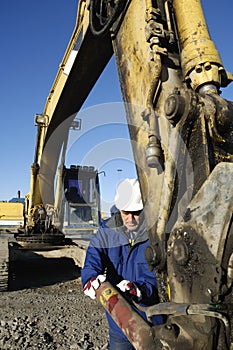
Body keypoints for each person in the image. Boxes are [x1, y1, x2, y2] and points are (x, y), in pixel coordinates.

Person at [81, 178, 163, 350]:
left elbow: (160, 276)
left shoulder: (156, 235)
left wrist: (140, 289)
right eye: (126, 213)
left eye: (136, 213)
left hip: (152, 319)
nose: (131, 219)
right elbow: (93, 258)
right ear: (119, 209)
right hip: (119, 323)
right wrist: (89, 278)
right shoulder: (107, 232)